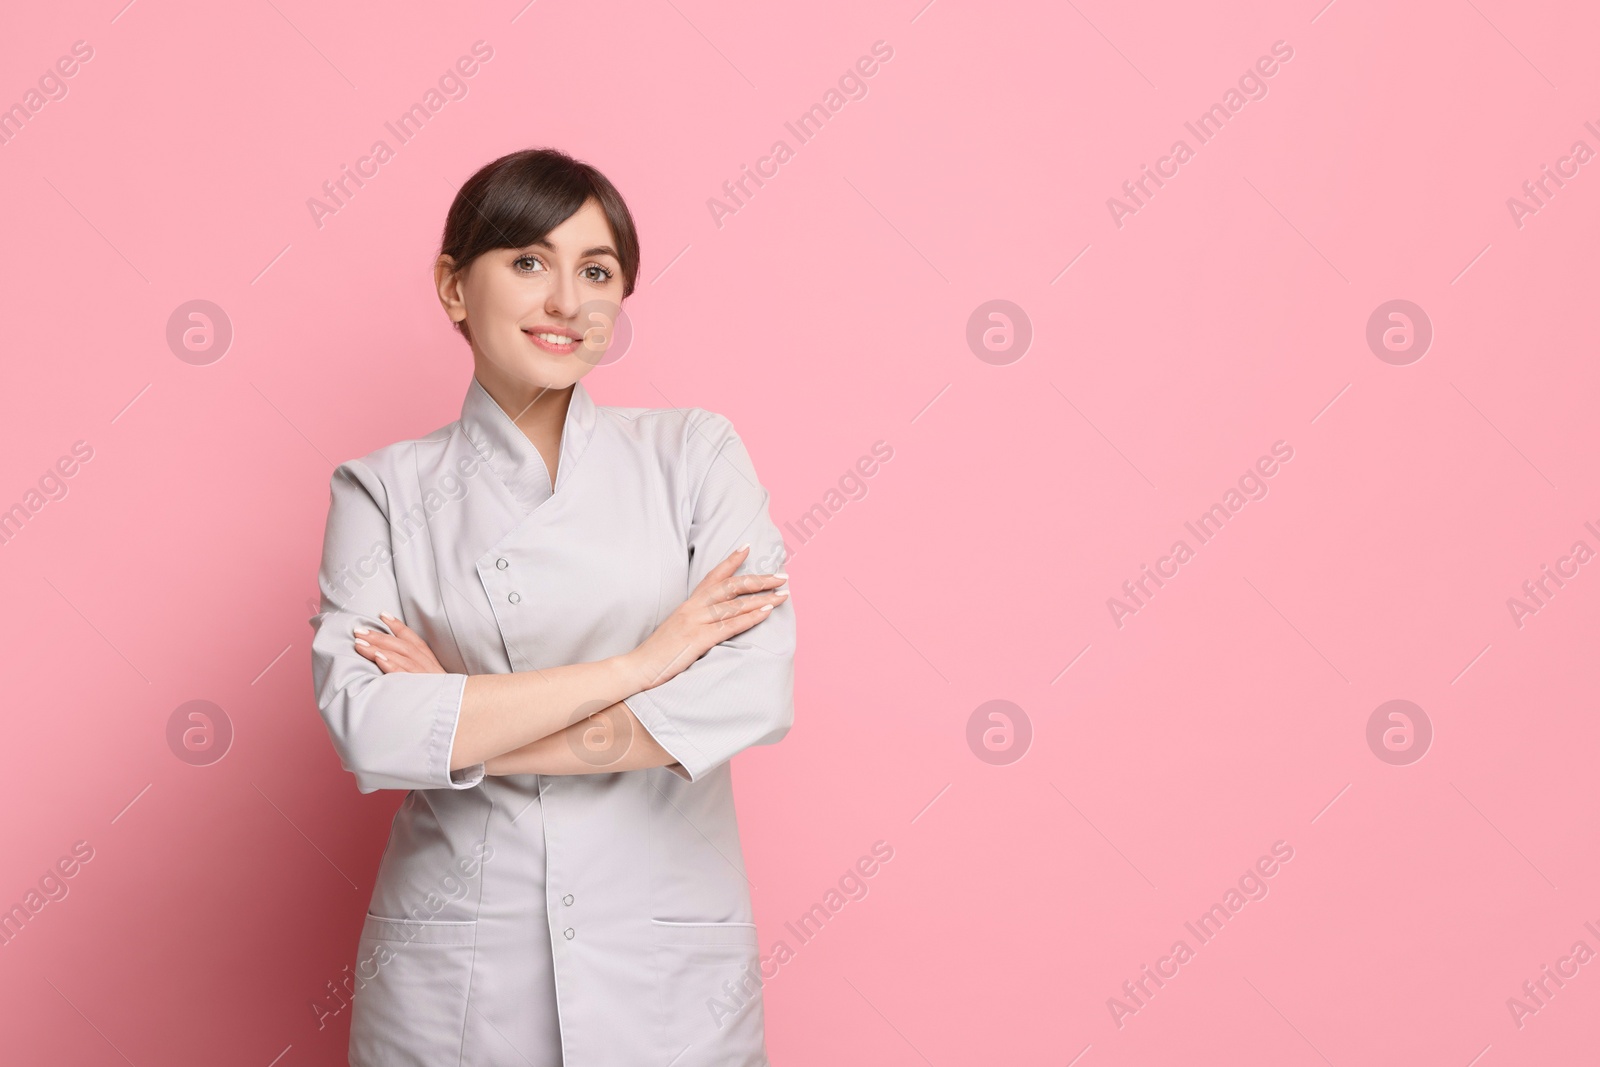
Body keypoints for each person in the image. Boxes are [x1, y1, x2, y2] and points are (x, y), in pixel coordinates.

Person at [307, 146, 796, 1066]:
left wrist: (463, 720)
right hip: (458, 968)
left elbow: (750, 691)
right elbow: (370, 729)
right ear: (455, 287)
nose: (567, 301)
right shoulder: (379, 491)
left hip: (666, 965)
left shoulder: (694, 455)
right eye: (528, 262)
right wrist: (642, 665)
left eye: (597, 270)